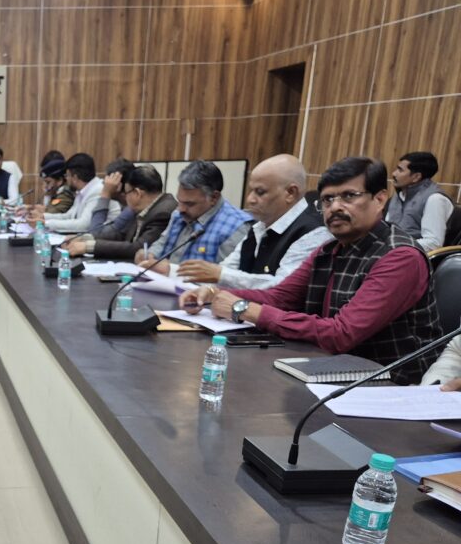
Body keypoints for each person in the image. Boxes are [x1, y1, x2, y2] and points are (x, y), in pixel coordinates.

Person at [181, 157, 443, 384]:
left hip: (389, 386)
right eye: (327, 199)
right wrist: (215, 294)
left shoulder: (400, 256)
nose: (335, 207)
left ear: (379, 199)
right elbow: (280, 297)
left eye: (349, 196)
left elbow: (341, 334)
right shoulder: (330, 249)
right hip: (329, 371)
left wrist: (246, 309)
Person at [175, 154, 329, 290]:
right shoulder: (260, 226)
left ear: (290, 193)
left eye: (260, 192)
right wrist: (208, 290)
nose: (250, 199)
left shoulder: (314, 233)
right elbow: (229, 268)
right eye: (251, 190)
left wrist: (220, 275)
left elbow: (283, 287)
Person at [138, 159, 252, 273]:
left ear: (214, 198)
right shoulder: (179, 214)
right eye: (180, 201)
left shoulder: (237, 227)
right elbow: (162, 243)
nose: (181, 209)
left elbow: (226, 277)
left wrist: (170, 271)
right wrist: (149, 255)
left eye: (189, 204)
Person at [63, 165, 176, 261]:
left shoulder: (163, 212)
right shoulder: (145, 207)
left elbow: (139, 248)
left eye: (126, 193)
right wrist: (85, 238)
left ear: (137, 193)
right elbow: (120, 235)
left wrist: (88, 247)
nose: (125, 198)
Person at [32, 153, 120, 234]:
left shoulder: (97, 191)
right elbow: (69, 216)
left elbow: (84, 225)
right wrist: (43, 217)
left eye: (67, 175)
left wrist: (46, 223)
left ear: (75, 177)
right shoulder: (83, 190)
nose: (67, 179)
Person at [387, 151, 453, 252]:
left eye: (400, 170)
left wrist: (397, 246)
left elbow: (433, 243)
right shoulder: (398, 195)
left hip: (413, 256)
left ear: (416, 177)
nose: (394, 174)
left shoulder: (435, 199)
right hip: (391, 252)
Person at [87, 157, 135, 235]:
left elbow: (96, 232)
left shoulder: (131, 209)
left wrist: (105, 194)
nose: (104, 185)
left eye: (107, 182)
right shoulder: (126, 206)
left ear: (117, 185)